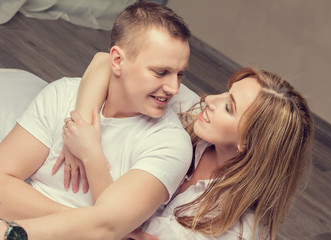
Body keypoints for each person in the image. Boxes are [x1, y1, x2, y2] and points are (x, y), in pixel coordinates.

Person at [0, 2, 193, 239]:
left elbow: (108, 229)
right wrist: (81, 223)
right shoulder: (63, 95)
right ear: (118, 61)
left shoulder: (170, 143)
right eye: (161, 72)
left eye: (180, 73)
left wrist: (91, 152)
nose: (174, 88)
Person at [68, 64, 314, 240]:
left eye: (229, 107)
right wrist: (81, 125)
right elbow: (105, 62)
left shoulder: (234, 229)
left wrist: (91, 153)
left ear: (248, 142)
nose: (211, 99)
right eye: (227, 91)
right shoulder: (198, 121)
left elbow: (115, 227)